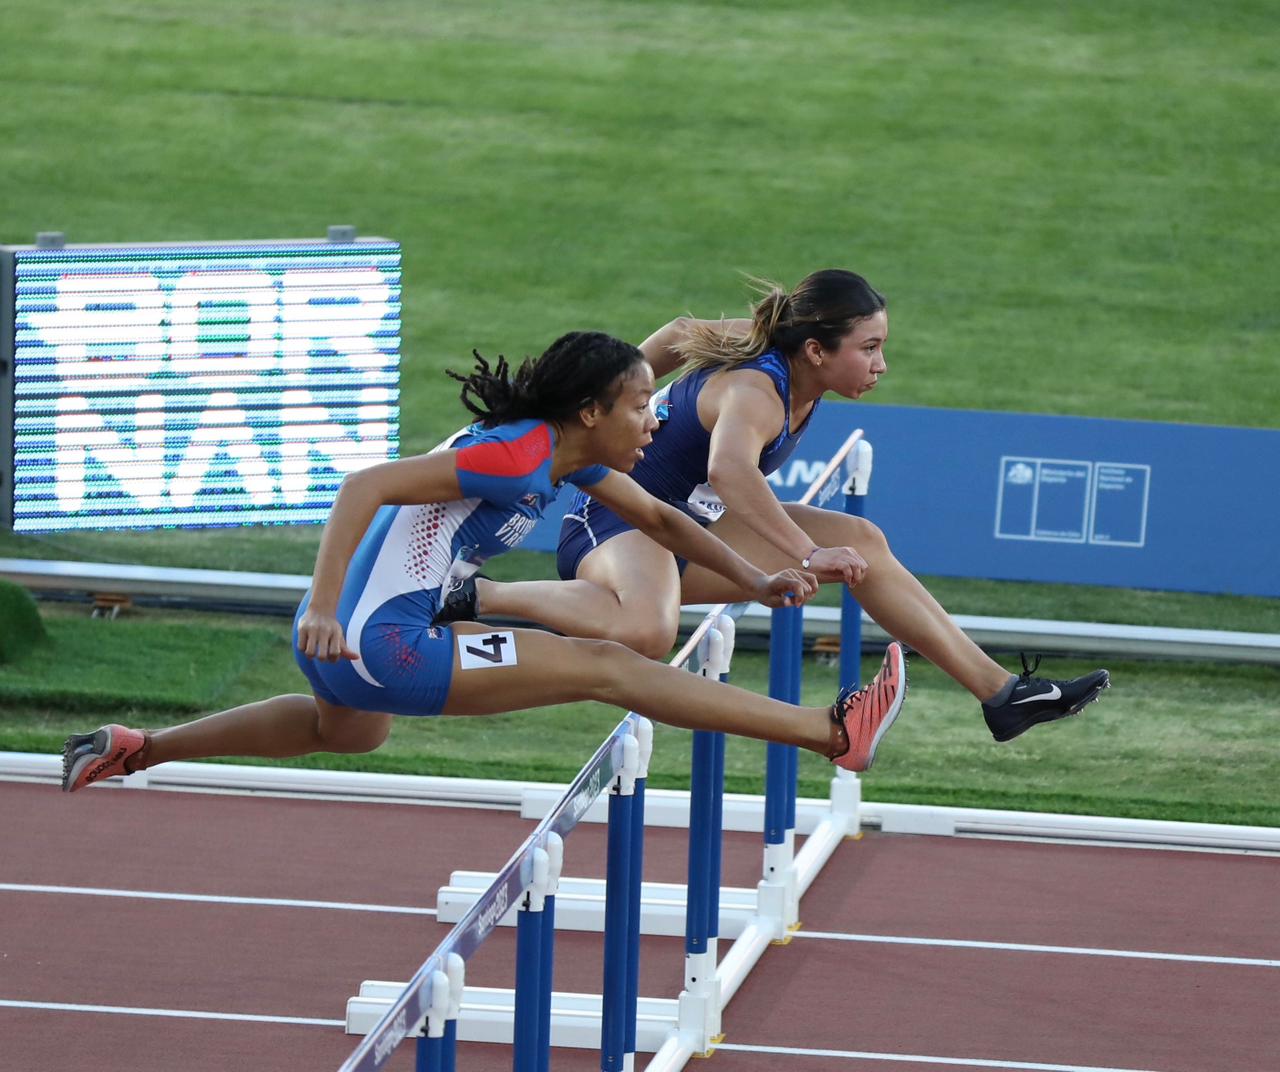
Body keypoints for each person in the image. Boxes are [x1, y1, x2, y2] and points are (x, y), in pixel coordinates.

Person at [62, 332, 907, 794]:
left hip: (368, 651)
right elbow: (363, 485)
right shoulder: (512, 457)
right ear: (590, 411)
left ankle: (141, 749)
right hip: (379, 644)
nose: (656, 422)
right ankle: (830, 733)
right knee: (608, 664)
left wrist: (761, 580)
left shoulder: (571, 458)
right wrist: (324, 606)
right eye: (643, 406)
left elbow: (662, 520)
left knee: (341, 733)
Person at [435, 272, 1110, 742]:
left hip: (683, 528)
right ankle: (482, 597)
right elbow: (731, 470)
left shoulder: (784, 351)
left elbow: (675, 332)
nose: (881, 365)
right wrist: (576, 419)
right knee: (644, 633)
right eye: (869, 349)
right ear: (818, 349)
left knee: (865, 543)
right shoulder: (759, 389)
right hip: (615, 521)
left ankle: (1002, 696)